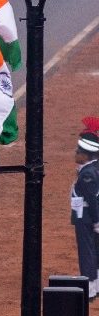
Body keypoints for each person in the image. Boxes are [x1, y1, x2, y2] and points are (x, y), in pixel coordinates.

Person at [73, 122, 99, 299]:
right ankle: (95, 286)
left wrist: (97, 221)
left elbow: (91, 199)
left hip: (86, 218)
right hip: (90, 217)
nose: (75, 154)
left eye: (78, 152)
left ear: (87, 155)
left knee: (87, 253)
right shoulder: (92, 169)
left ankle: (90, 288)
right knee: (94, 251)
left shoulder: (87, 174)